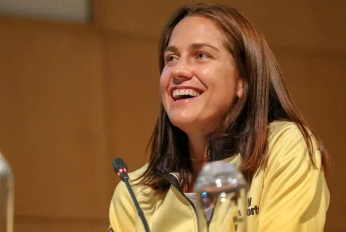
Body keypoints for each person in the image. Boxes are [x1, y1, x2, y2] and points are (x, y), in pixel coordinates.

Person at [108, 3, 331, 232]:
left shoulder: (282, 148)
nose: (178, 70)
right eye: (171, 58)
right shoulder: (134, 193)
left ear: (242, 81)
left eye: (201, 55)